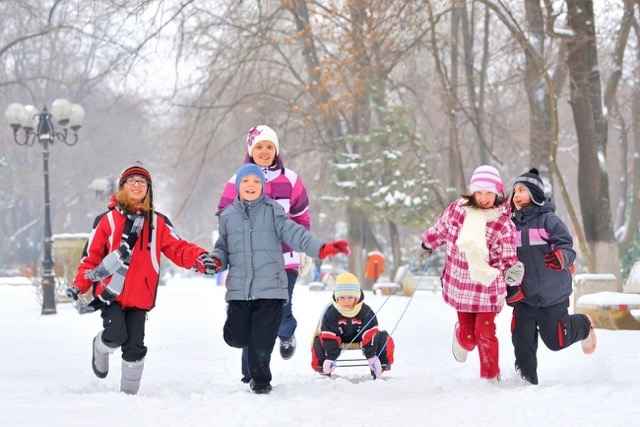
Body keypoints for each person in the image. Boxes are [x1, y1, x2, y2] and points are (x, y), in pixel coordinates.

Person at [65, 161, 217, 395]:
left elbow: (178, 248)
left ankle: (128, 399)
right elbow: (91, 259)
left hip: (140, 297)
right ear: (122, 186)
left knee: (135, 347)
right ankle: (100, 346)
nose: (137, 185)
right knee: (116, 336)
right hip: (110, 294)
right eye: (131, 181)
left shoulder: (158, 223)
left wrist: (200, 258)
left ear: (149, 189)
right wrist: (78, 286)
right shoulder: (106, 221)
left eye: (142, 182)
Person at [211, 163, 350, 394]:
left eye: (256, 182)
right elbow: (222, 247)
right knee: (236, 337)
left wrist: (321, 249)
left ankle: (261, 383)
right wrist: (215, 261)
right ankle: (246, 349)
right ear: (238, 186)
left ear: (263, 186)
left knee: (262, 342)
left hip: (271, 288)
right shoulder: (227, 216)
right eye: (246, 182)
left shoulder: (273, 210)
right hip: (239, 289)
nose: (251, 186)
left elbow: (295, 233)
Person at [217, 125, 310, 380]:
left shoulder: (290, 179)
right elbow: (225, 217)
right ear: (250, 150)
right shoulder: (237, 180)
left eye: (269, 146)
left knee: (281, 311)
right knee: (251, 316)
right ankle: (251, 374)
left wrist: (302, 249)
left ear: (276, 149)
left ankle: (287, 331)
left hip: (284, 260)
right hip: (249, 262)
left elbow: (301, 216)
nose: (265, 151)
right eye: (259, 146)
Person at [417, 165, 524, 382]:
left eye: (489, 193)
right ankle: (461, 335)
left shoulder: (503, 223)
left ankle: (490, 377)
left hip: (487, 289)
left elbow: (507, 254)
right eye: (479, 192)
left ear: (497, 193)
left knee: (484, 333)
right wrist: (427, 243)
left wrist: (512, 268)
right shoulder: (458, 210)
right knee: (469, 338)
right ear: (472, 192)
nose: (484, 198)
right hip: (461, 286)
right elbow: (440, 229)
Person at [509, 168, 597, 385]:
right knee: (522, 341)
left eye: (522, 190)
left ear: (535, 193)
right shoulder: (509, 226)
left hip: (551, 294)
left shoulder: (548, 220)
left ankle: (584, 324)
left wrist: (561, 257)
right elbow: (504, 259)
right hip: (524, 296)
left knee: (557, 340)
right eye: (514, 191)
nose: (516, 195)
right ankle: (525, 381)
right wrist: (509, 286)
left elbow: (567, 247)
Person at [311, 272, 395, 379]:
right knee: (318, 339)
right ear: (337, 298)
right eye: (342, 297)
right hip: (338, 338)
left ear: (357, 297)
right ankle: (322, 365)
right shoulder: (331, 312)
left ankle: (382, 363)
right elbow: (329, 335)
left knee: (383, 336)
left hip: (362, 338)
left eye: (350, 297)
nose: (346, 301)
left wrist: (371, 356)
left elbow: (370, 333)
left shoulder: (365, 311)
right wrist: (331, 358)